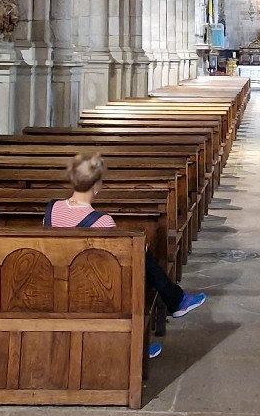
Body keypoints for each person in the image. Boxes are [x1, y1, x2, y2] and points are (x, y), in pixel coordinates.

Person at [45, 150, 205, 359]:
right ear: (96, 186)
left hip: (53, 282)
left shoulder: (52, 209)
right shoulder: (102, 222)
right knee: (139, 260)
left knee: (139, 253)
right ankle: (140, 340)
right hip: (88, 291)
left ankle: (175, 300)